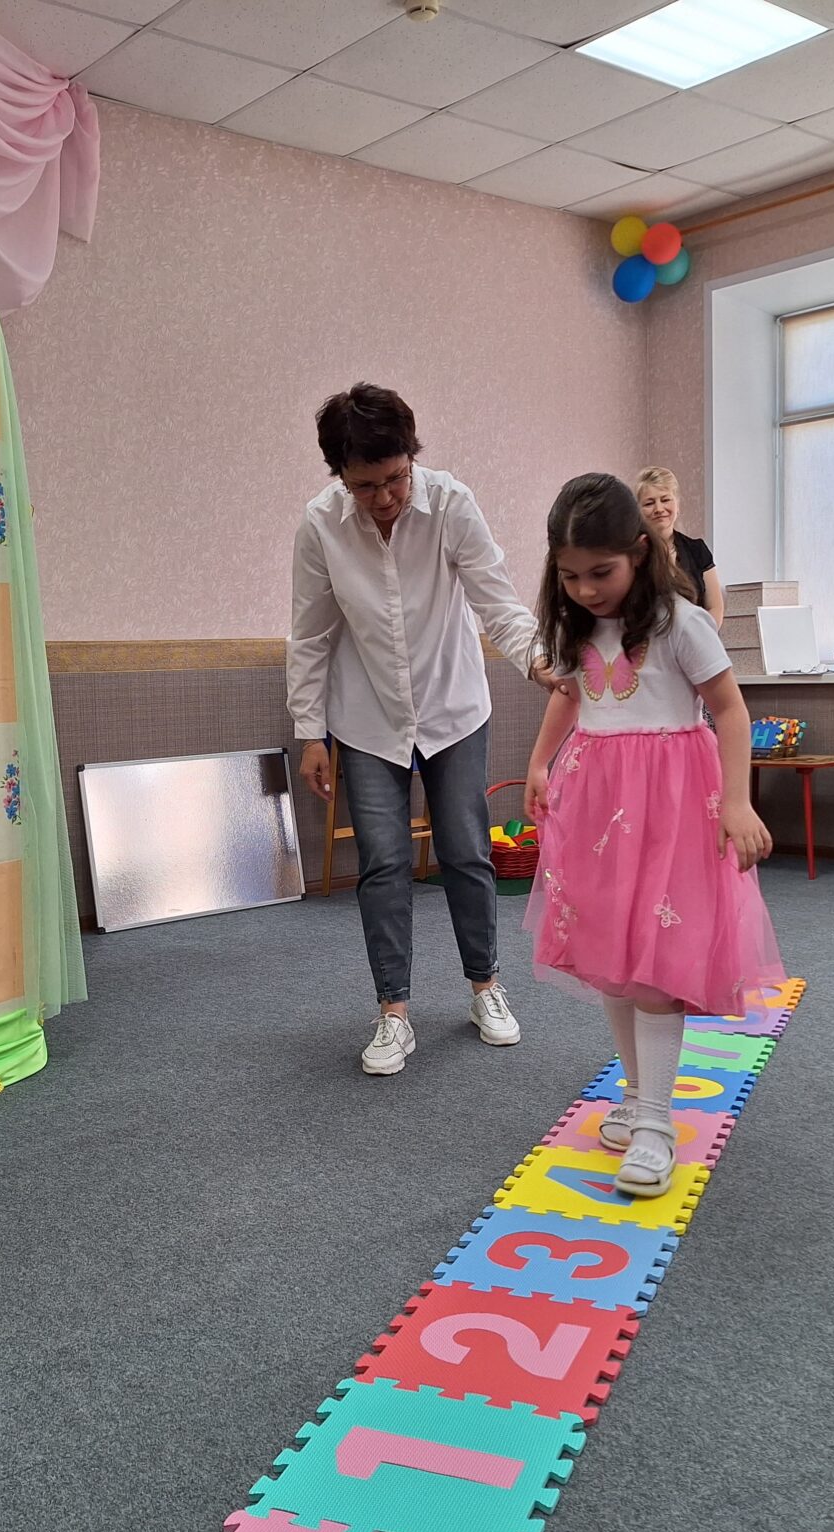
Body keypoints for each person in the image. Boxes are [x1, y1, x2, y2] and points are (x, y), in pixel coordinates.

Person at [522, 473, 784, 1197]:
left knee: (657, 965)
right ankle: (639, 1096)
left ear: (640, 552)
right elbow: (570, 695)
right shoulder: (577, 626)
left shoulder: (680, 622)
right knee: (613, 956)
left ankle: (657, 1126)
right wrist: (540, 762)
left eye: (600, 572)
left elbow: (730, 711)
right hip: (598, 807)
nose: (585, 589)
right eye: (569, 575)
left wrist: (737, 802)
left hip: (671, 807)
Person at [288, 383, 557, 1077]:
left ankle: (486, 987)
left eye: (396, 478)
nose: (384, 497)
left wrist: (537, 661)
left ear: (413, 457)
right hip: (367, 716)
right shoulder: (320, 526)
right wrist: (311, 732)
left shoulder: (452, 504)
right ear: (340, 477)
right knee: (382, 862)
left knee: (466, 851)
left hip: (453, 706)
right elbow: (311, 634)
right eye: (365, 485)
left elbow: (497, 601)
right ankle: (394, 1013)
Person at [635, 467, 723, 626]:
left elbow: (715, 607)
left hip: (698, 637)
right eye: (649, 503)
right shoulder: (632, 554)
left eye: (665, 500)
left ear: (677, 505)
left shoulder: (697, 550)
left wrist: (702, 636)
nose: (659, 509)